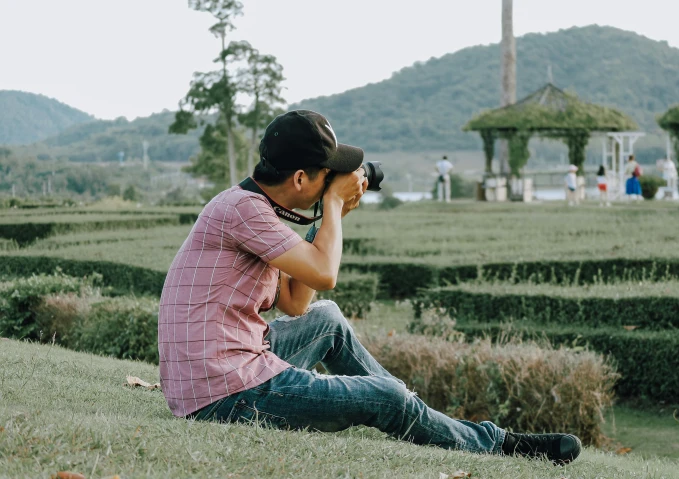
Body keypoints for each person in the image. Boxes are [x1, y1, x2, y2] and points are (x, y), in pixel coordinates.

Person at [157, 110, 582, 464]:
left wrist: (329, 214)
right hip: (223, 395)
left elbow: (296, 303)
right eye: (330, 174)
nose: (336, 180)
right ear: (302, 179)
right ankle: (496, 443)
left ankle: (420, 415)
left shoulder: (252, 207)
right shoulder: (246, 212)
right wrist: (335, 207)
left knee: (328, 319)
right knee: (387, 397)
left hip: (218, 373)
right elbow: (324, 274)